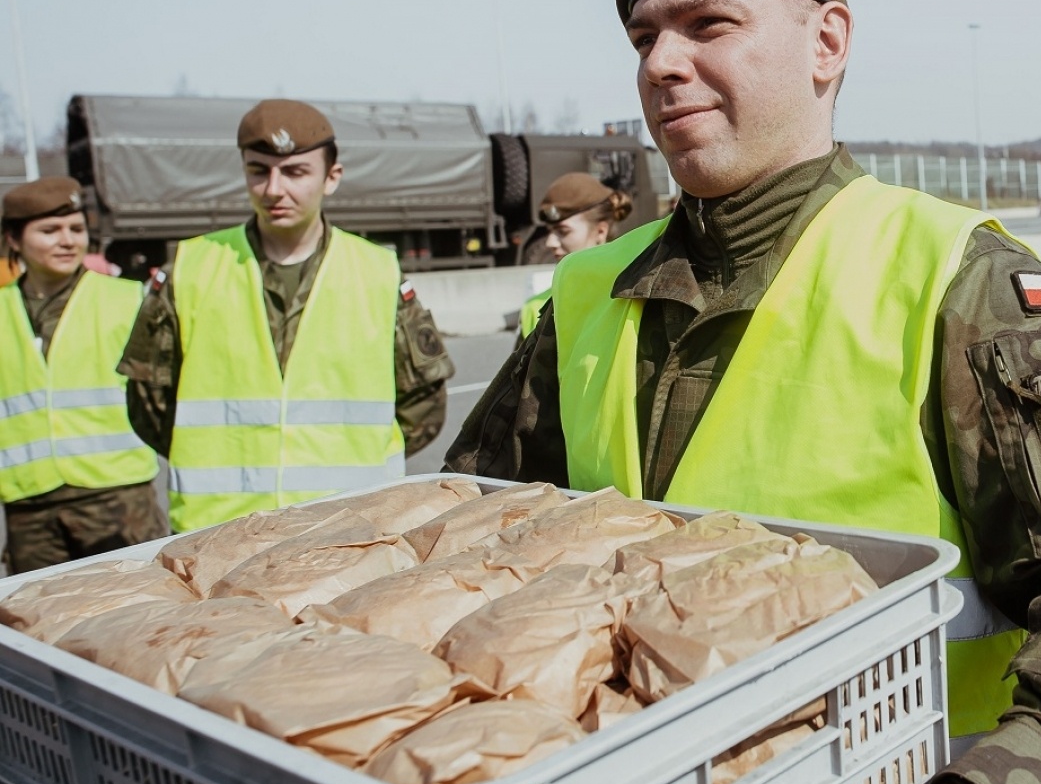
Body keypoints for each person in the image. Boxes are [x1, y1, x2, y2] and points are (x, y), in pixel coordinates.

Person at [446, 0, 1041, 784]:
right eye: (644, 37)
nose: (660, 65)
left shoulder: (954, 275)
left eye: (709, 25)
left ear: (827, 44)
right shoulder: (583, 293)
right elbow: (463, 557)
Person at [118, 99, 455, 533]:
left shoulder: (376, 272)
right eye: (259, 171)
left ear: (331, 178)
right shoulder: (190, 268)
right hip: (219, 531)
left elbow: (423, 403)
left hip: (350, 527)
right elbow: (149, 401)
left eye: (295, 172)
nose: (274, 189)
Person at [1, 177, 162, 573]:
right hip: (29, 504)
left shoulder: (127, 297)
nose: (67, 241)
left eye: (76, 229)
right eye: (49, 231)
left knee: (139, 615)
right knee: (39, 625)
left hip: (118, 496)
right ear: (14, 239)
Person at [518, 173, 632, 337]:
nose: (550, 242)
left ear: (601, 231)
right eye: (550, 232)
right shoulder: (534, 308)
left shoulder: (634, 295)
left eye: (563, 232)